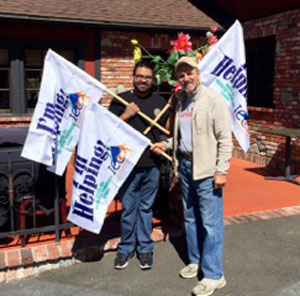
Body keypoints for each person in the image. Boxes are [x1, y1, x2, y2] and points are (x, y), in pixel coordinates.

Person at [151, 56, 232, 296]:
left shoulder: (213, 100)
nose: (185, 78)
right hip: (186, 167)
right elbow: (183, 136)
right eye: (181, 75)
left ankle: (214, 275)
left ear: (198, 73)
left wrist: (221, 170)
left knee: (211, 224)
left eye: (189, 73)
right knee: (190, 219)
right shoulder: (183, 102)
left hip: (207, 171)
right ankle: (196, 261)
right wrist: (167, 145)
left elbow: (225, 139)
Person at [109, 60, 168, 270]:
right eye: (140, 76)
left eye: (147, 77)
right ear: (133, 77)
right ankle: (125, 249)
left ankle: (145, 249)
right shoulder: (120, 100)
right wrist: (127, 114)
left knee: (145, 209)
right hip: (127, 166)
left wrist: (163, 145)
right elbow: (109, 131)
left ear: (153, 80)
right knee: (128, 209)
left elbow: (164, 131)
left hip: (151, 165)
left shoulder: (160, 102)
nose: (143, 80)